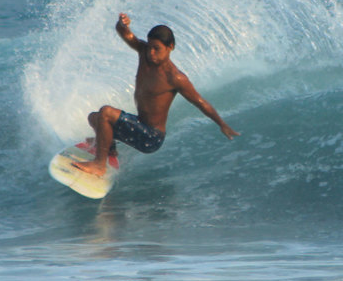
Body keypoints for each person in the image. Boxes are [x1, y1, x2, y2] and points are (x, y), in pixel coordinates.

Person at [73, 13, 239, 176]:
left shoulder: (174, 77)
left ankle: (99, 165)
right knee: (94, 118)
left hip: (151, 137)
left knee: (106, 112)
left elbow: (200, 102)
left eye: (157, 49)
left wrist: (222, 124)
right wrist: (122, 25)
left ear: (170, 47)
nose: (151, 53)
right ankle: (109, 148)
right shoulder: (144, 53)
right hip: (138, 124)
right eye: (150, 47)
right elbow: (127, 35)